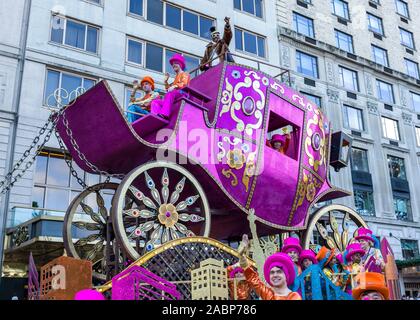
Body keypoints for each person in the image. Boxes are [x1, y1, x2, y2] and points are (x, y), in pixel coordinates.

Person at [238, 235, 301, 300]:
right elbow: (254, 281)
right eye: (272, 272)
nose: (275, 275)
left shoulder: (294, 297)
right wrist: (242, 257)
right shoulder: (269, 295)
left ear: (286, 275)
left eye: (279, 272)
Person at [151, 53, 190, 120]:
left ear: (180, 64)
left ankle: (164, 114)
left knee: (170, 93)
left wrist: (174, 86)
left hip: (183, 94)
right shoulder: (176, 77)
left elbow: (184, 83)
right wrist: (166, 81)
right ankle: (154, 116)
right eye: (173, 64)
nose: (173, 65)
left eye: (175, 63)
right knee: (155, 101)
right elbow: (168, 89)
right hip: (174, 95)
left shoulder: (185, 74)